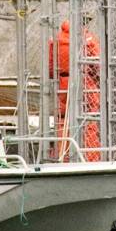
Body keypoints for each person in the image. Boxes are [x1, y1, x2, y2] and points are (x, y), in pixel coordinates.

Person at [48, 19, 101, 161]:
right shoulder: (87, 38)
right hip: (85, 82)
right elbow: (97, 64)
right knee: (89, 120)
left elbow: (51, 66)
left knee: (63, 120)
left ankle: (64, 157)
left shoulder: (55, 39)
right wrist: (97, 81)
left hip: (63, 83)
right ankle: (90, 157)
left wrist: (58, 78)